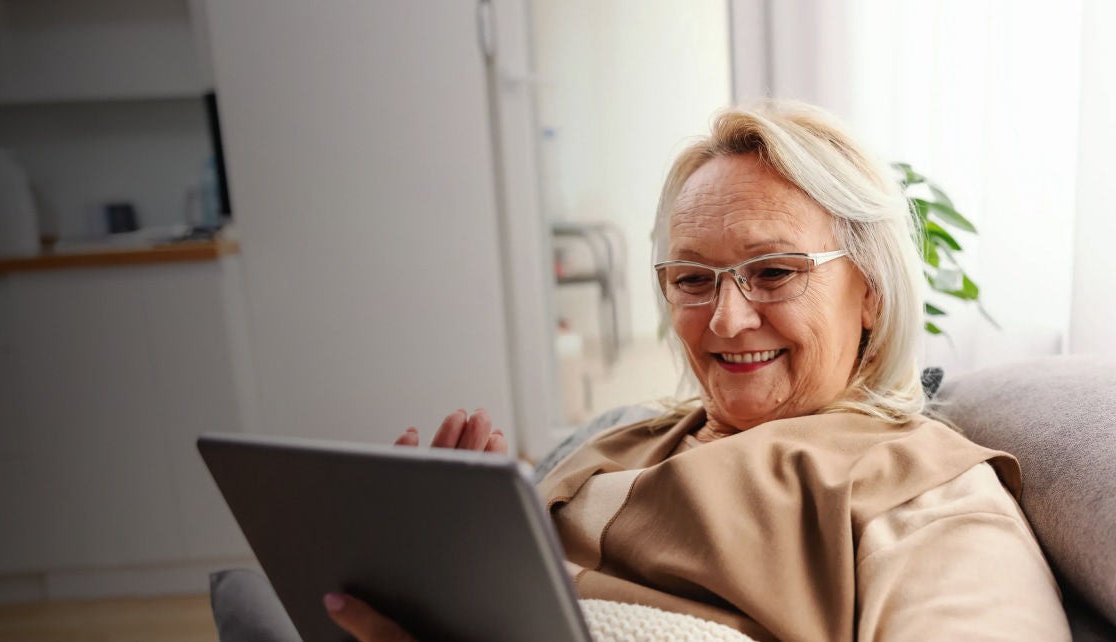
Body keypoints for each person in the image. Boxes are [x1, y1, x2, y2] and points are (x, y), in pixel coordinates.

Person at [321, 101, 1070, 641]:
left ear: (870, 292)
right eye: (691, 279)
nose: (726, 320)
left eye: (773, 271)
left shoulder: (918, 490)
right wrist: (452, 558)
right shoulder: (619, 444)